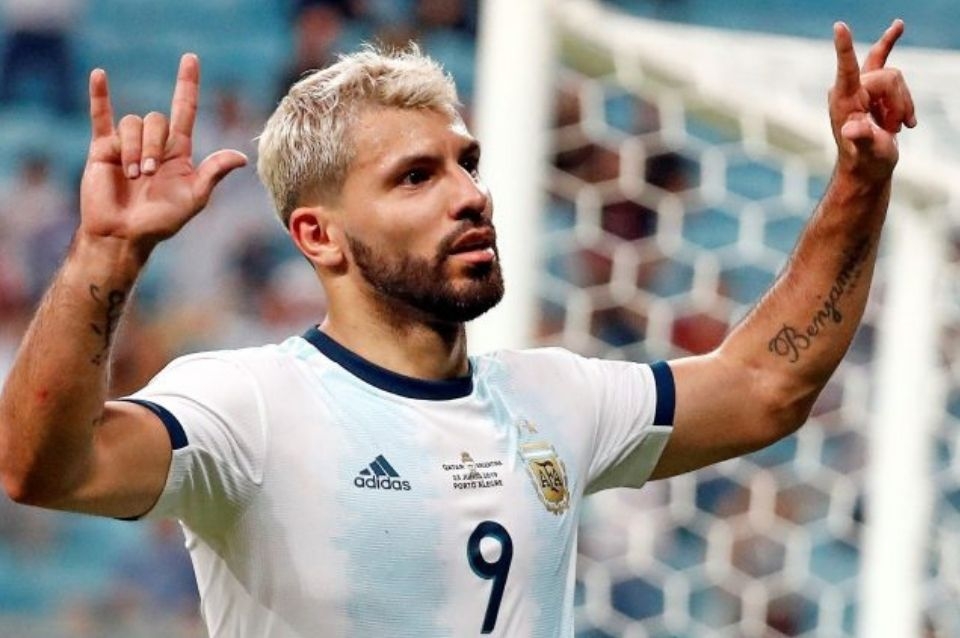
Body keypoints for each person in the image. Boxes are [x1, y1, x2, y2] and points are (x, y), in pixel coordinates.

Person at [0, 18, 915, 637]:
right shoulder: (250, 405)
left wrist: (859, 182)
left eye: (466, 163)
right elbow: (41, 469)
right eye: (416, 177)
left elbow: (763, 386)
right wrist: (106, 255)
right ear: (319, 236)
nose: (471, 195)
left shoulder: (554, 395)